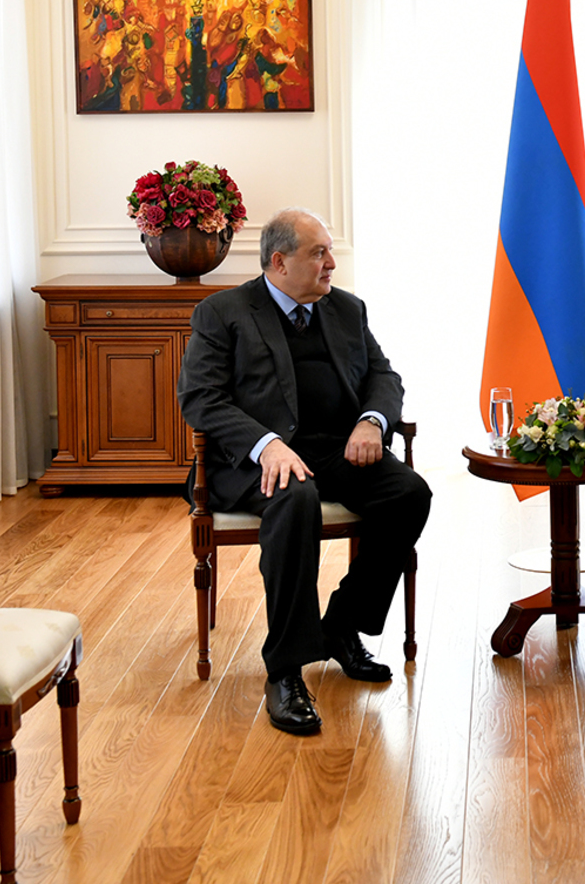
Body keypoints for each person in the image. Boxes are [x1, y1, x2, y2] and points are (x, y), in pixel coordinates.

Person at [178, 208, 432, 735]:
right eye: (319, 253)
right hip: (252, 461)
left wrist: (371, 421)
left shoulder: (346, 309)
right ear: (279, 262)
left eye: (329, 251)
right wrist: (265, 444)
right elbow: (201, 397)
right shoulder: (222, 312)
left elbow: (384, 376)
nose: (331, 263)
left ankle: (341, 625)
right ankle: (286, 670)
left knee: (409, 493)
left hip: (335, 449)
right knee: (296, 497)